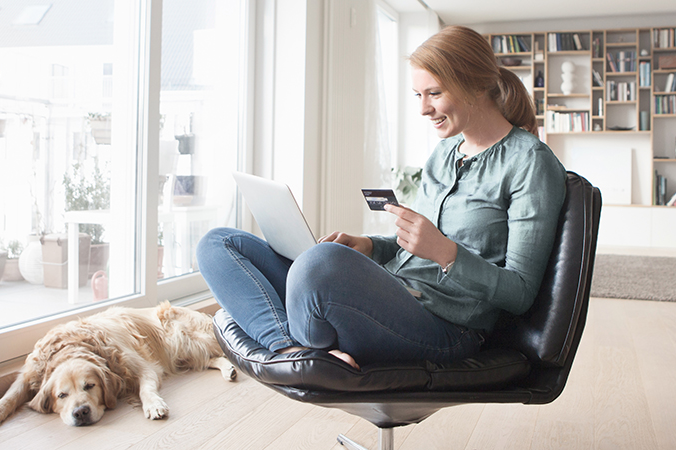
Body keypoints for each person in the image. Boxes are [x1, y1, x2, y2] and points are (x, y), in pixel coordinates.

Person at [197, 25, 566, 370]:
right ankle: (291, 350)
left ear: (475, 86)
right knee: (219, 244)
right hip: (394, 292)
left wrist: (445, 253)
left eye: (434, 94)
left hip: (447, 328)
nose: (423, 108)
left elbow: (520, 293)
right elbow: (414, 249)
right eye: (418, 95)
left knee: (318, 265)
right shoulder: (446, 152)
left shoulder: (530, 162)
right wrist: (371, 246)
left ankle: (297, 344)